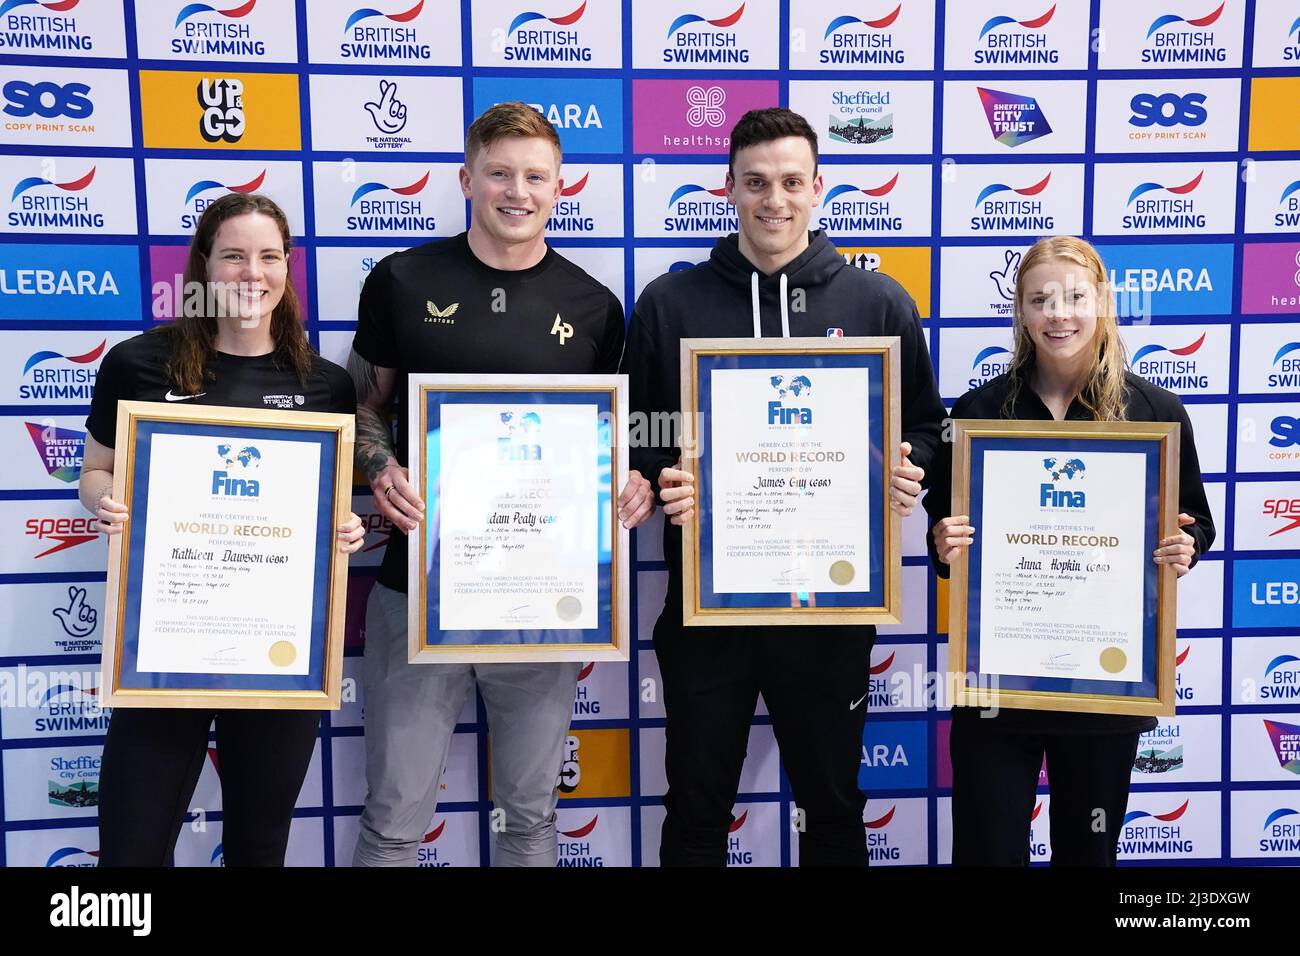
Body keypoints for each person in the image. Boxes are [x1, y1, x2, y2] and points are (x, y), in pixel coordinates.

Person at [622, 107, 947, 866]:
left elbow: (930, 427)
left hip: (831, 613)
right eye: (757, 182)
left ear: (819, 188)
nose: (776, 199)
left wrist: (909, 467)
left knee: (833, 810)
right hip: (707, 613)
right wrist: (661, 476)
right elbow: (635, 433)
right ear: (727, 189)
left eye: (792, 182)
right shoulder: (671, 304)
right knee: (696, 811)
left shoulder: (877, 303)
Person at [347, 101, 654, 867]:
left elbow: (611, 442)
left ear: (559, 188)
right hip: (414, 588)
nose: (518, 191)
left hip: (541, 597)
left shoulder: (595, 308)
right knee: (393, 820)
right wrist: (379, 466)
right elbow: (360, 405)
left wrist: (633, 486)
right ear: (467, 178)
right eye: (500, 173)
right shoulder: (402, 279)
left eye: (535, 177)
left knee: (531, 818)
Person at [80, 192, 366, 866]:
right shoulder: (137, 365)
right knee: (130, 851)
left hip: (277, 653)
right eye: (233, 255)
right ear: (204, 266)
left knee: (259, 846)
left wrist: (344, 531)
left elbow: (330, 509)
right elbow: (95, 471)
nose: (251, 273)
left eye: (268, 257)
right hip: (164, 644)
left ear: (287, 268)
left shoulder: (323, 385)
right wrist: (105, 501)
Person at [924, 235, 1215, 866]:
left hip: (1105, 691)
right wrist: (944, 542)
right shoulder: (978, 413)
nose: (1060, 313)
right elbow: (943, 531)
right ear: (1021, 314)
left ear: (1103, 302)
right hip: (999, 688)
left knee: (1088, 856)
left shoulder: (1154, 411)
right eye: (1041, 300)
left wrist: (1180, 545)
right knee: (987, 852)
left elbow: (1197, 524)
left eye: (1075, 296)